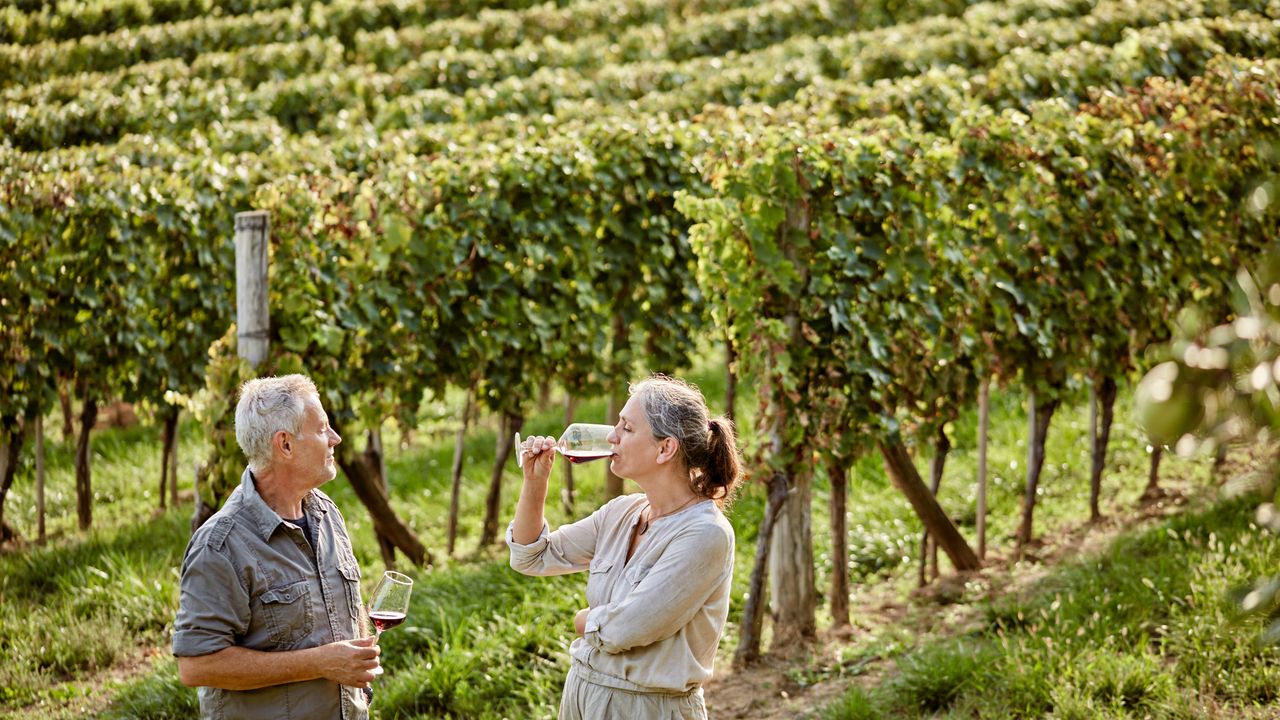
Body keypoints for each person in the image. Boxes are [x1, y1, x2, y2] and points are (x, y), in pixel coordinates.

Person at [508, 374, 742, 719]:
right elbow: (532, 556)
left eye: (627, 428)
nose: (612, 436)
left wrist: (581, 620)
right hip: (582, 695)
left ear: (666, 448)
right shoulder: (622, 512)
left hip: (647, 708)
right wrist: (535, 482)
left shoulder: (706, 534)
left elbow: (627, 627)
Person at [173, 374, 380, 719]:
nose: (335, 438)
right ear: (285, 445)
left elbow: (347, 608)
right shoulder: (220, 547)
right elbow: (197, 666)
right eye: (322, 428)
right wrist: (320, 664)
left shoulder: (325, 513)